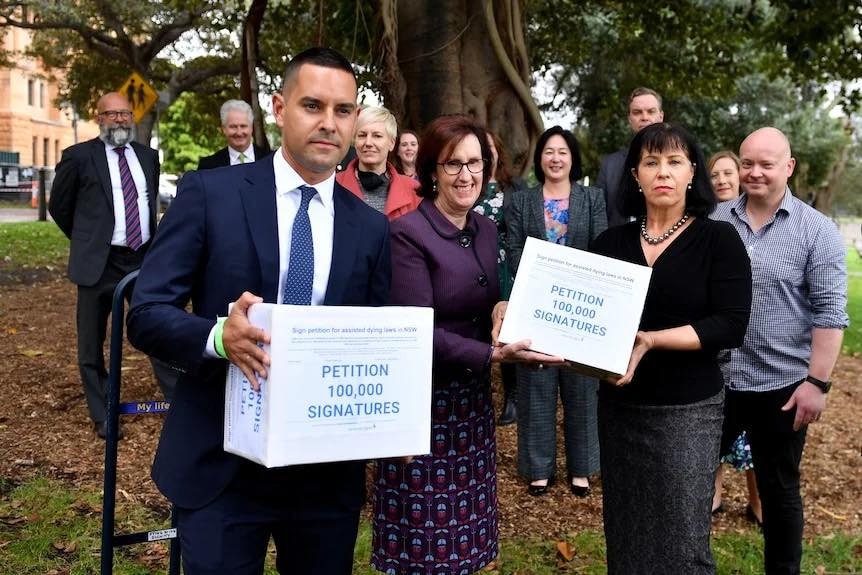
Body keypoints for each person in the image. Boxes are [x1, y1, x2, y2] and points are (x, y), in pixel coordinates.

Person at [127, 47, 391, 575]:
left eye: (344, 111)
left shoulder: (370, 227)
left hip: (323, 474)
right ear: (278, 107)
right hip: (220, 464)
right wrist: (220, 336)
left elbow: (378, 342)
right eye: (312, 105)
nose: (329, 123)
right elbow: (147, 312)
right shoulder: (209, 194)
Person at [370, 115, 560, 575]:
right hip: (423, 407)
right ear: (432, 170)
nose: (466, 175)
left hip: (472, 407)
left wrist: (501, 307)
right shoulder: (407, 234)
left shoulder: (485, 229)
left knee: (469, 536)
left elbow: (482, 297)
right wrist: (493, 355)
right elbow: (415, 331)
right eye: (453, 164)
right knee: (424, 542)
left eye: (475, 163)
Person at [590, 122, 752, 574]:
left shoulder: (718, 239)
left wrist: (652, 340)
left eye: (674, 161)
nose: (663, 171)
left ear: (690, 172)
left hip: (687, 411)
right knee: (626, 532)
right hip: (620, 408)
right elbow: (582, 320)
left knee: (682, 543)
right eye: (651, 162)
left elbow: (730, 324)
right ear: (636, 176)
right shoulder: (609, 244)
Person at [711, 127, 848, 575]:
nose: (754, 172)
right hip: (718, 380)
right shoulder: (715, 220)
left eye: (766, 165)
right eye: (747, 163)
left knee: (779, 490)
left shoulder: (817, 231)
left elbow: (831, 311)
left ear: (788, 167)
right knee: (691, 484)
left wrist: (817, 383)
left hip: (783, 387)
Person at [48, 91, 176, 440]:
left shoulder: (148, 157)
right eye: (112, 114)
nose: (119, 119)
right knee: (91, 342)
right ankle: (103, 412)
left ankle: (178, 403)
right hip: (98, 264)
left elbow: (148, 205)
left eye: (125, 113)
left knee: (159, 329)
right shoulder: (78, 157)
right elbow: (60, 207)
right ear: (99, 118)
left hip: (142, 260)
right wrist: (88, 240)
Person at [506, 126, 607, 497]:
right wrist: (540, 282)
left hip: (580, 306)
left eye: (562, 151)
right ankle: (538, 468)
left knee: (581, 385)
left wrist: (576, 281)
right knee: (536, 383)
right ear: (540, 158)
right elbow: (514, 247)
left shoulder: (592, 198)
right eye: (549, 151)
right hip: (535, 302)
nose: (555, 158)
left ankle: (582, 468)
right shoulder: (521, 201)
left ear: (572, 158)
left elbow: (601, 246)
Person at [707, 150, 762, 525]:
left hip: (759, 341)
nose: (723, 180)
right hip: (717, 344)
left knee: (755, 433)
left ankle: (759, 501)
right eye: (715, 175)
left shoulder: (758, 219)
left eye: (728, 173)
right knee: (716, 425)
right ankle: (714, 492)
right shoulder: (705, 221)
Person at [472, 131, 522, 426]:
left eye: (489, 147)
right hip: (472, 263)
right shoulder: (469, 184)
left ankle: (512, 399)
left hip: (505, 266)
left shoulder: (513, 186)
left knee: (506, 331)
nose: (486, 153)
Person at [336, 106, 420, 220]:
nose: (368, 142)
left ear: (391, 143)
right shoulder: (334, 185)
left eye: (377, 136)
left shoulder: (413, 189)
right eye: (362, 135)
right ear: (355, 141)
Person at [597, 87, 664, 227]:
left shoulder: (679, 162)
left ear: (661, 117)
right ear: (630, 119)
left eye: (651, 111)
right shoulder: (610, 165)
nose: (644, 117)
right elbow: (599, 216)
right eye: (637, 112)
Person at [197, 99, 270, 169]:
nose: (239, 132)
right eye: (233, 127)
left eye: (243, 126)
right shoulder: (208, 166)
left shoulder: (271, 160)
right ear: (224, 129)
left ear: (251, 127)